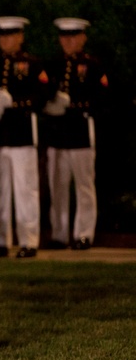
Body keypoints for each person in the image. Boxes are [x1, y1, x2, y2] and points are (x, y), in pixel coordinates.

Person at [0, 16, 50, 259]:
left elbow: (41, 96)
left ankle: (28, 241)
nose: (6, 40)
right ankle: (0, 241)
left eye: (10, 35)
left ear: (21, 36)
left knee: (26, 190)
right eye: (2, 35)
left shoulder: (32, 63)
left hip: (22, 135)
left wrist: (15, 104)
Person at [43, 17, 108, 250]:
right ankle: (59, 234)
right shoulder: (52, 65)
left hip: (81, 132)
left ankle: (83, 234)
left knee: (84, 187)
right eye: (64, 37)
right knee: (57, 186)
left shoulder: (93, 65)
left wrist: (74, 105)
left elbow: (102, 99)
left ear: (83, 38)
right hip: (57, 134)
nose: (68, 41)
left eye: (73, 36)